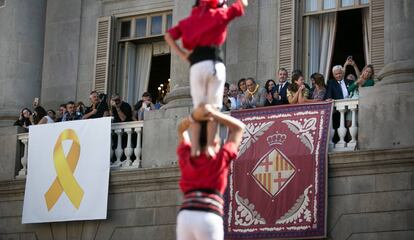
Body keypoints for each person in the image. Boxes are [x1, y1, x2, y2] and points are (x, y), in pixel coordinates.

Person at [164, 0, 248, 157]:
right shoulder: (219, 13)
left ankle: (195, 147)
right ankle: (210, 145)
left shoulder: (190, 20)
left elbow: (168, 36)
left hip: (196, 66)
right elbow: (241, 5)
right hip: (214, 63)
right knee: (213, 108)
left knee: (198, 110)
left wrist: (182, 54)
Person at [176, 104, 245, 240]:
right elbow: (239, 128)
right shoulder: (220, 158)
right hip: (209, 216)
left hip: (186, 216)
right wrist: (213, 114)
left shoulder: (188, 155)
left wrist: (193, 117)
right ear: (215, 141)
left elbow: (180, 129)